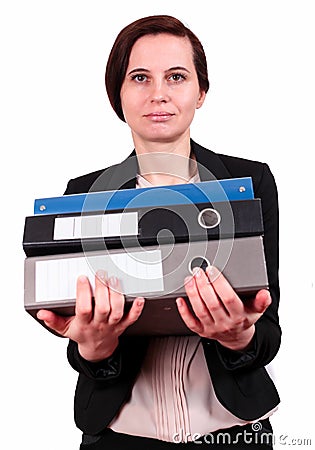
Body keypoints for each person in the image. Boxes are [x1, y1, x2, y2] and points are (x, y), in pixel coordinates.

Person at [37, 15, 281, 449]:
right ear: (119, 93)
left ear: (200, 91)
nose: (159, 94)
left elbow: (268, 327)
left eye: (176, 76)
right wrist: (95, 348)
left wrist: (238, 336)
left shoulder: (249, 183)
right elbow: (82, 340)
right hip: (121, 436)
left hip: (232, 432)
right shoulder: (84, 195)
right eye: (139, 78)